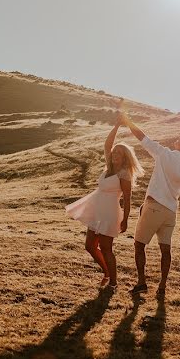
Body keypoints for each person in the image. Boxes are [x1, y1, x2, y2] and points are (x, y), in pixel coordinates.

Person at [119, 112, 180, 297]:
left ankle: (141, 283)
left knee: (139, 246)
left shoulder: (164, 154)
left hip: (154, 207)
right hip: (171, 213)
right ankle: (162, 287)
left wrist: (128, 121)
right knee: (165, 249)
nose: (177, 139)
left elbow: (142, 137)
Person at [66, 115, 144, 289]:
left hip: (109, 212)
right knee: (89, 246)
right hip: (96, 210)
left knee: (106, 248)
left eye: (119, 153)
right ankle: (107, 272)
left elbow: (128, 197)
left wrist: (125, 219)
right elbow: (107, 145)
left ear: (125, 158)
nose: (115, 154)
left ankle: (113, 283)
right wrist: (116, 125)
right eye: (115, 152)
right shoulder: (108, 167)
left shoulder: (124, 174)